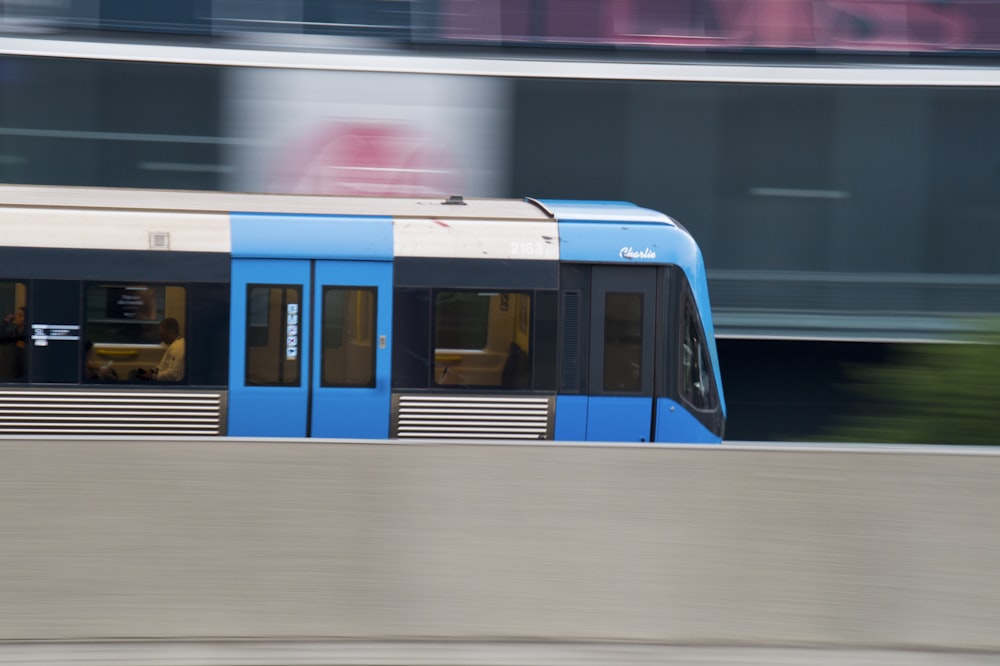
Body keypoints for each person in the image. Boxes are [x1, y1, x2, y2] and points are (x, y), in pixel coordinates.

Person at [0, 306, 27, 379]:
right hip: (10, 373)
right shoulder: (13, 334)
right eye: (16, 314)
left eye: (20, 315)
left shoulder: (28, 336)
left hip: (23, 374)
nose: (15, 317)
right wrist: (6, 322)